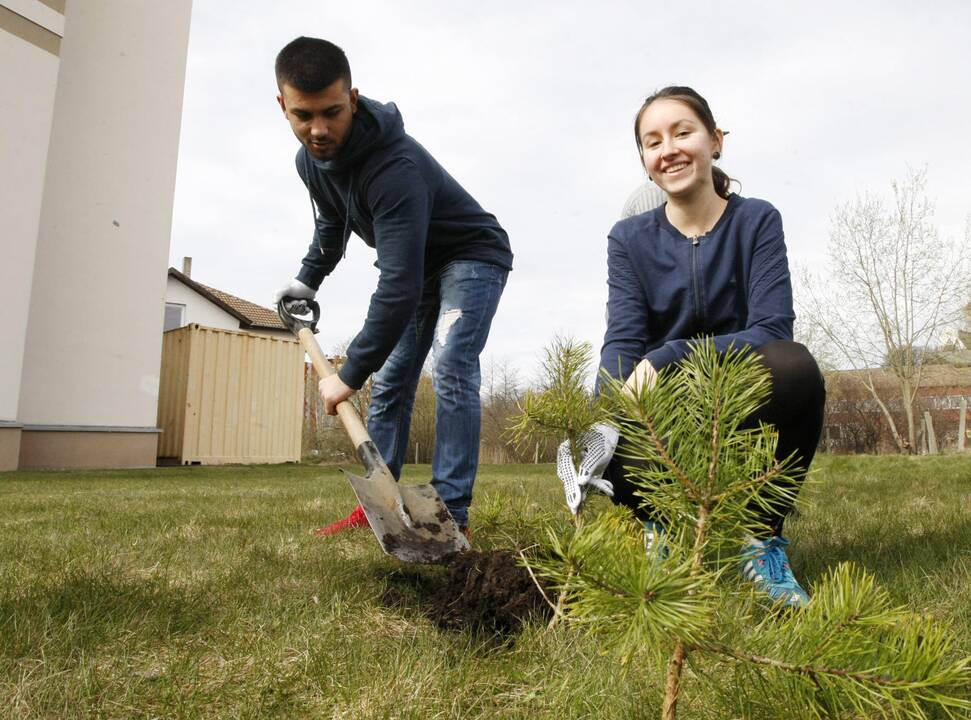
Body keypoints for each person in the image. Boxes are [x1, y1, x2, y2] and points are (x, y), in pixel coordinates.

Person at [272, 37, 513, 536]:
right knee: (393, 379)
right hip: (416, 269)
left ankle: (451, 518)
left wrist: (350, 371)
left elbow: (397, 286)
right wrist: (306, 281)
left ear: (353, 99)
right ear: (283, 106)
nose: (318, 130)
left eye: (332, 112)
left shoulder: (393, 168)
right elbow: (332, 226)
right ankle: (378, 506)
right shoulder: (310, 162)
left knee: (451, 366)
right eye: (303, 115)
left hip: (469, 256)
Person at [596, 86, 825, 607]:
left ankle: (760, 541)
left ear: (715, 141)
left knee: (795, 366)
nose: (668, 148)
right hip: (664, 415)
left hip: (740, 400)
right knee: (607, 422)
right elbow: (623, 338)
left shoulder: (757, 221)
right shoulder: (628, 240)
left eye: (683, 132)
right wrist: (599, 416)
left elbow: (771, 327)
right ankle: (666, 533)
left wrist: (669, 355)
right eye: (653, 142)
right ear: (646, 164)